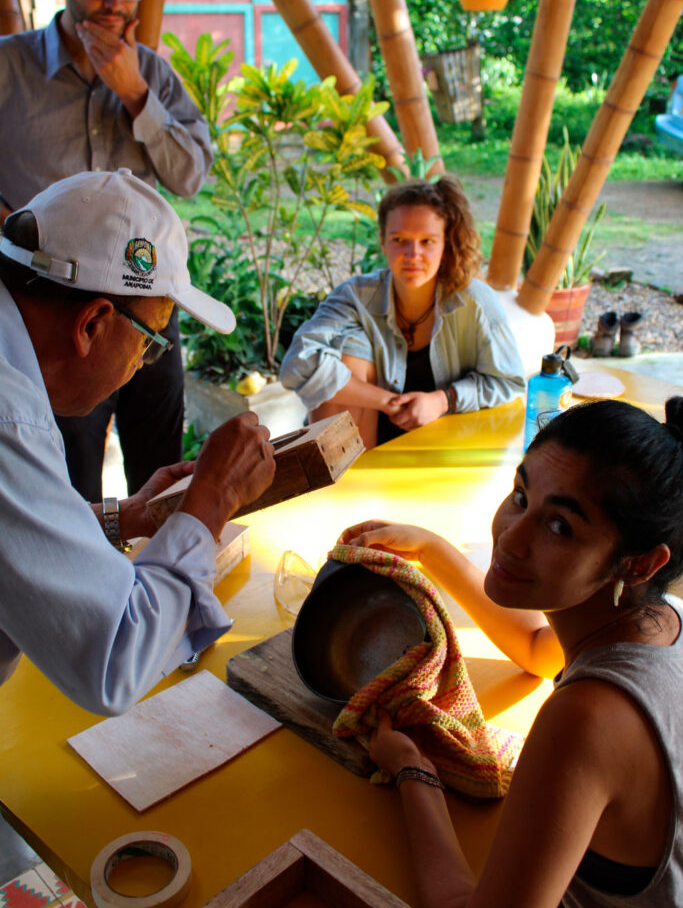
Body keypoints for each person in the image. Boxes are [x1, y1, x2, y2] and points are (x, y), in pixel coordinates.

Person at [339, 397, 683, 907]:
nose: (511, 538)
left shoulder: (586, 717)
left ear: (639, 565)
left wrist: (414, 771)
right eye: (521, 496)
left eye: (561, 526)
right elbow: (539, 650)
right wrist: (432, 549)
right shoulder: (665, 617)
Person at [0, 169, 275, 716]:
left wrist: (120, 518)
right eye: (150, 345)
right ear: (93, 324)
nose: (141, 367)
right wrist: (212, 499)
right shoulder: (12, 419)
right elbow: (116, 657)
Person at [0, 0, 213, 502]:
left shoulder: (153, 74)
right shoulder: (9, 69)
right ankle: (84, 586)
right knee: (69, 487)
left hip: (148, 308)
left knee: (159, 479)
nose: (114, 5)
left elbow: (192, 174)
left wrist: (138, 95)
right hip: (56, 326)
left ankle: (156, 582)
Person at [280, 175, 525, 449]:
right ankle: (343, 484)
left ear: (445, 246)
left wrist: (444, 400)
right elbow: (296, 364)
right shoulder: (356, 296)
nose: (412, 254)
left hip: (444, 445)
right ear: (383, 243)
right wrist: (388, 402)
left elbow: (509, 381)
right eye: (399, 239)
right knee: (350, 348)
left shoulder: (475, 301)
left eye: (427, 241)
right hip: (361, 443)